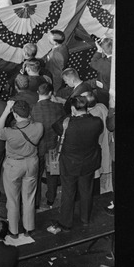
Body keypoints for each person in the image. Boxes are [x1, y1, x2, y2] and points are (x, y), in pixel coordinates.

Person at [47, 96, 104, 234]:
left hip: (69, 164)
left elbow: (55, 127)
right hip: (89, 162)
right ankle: (85, 218)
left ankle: (66, 223)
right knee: (86, 191)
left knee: (68, 193)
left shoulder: (67, 123)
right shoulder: (97, 122)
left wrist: (69, 115)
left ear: (73, 108)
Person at [0, 100, 44, 238]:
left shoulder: (9, 132)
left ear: (15, 115)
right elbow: (31, 122)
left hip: (14, 166)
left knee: (12, 199)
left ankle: (14, 230)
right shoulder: (39, 127)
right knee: (29, 197)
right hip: (32, 163)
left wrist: (7, 110)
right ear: (29, 113)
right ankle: (29, 228)